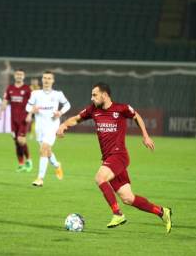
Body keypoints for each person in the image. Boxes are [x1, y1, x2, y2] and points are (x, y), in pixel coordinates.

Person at [57, 82, 172, 232]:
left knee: (100, 178)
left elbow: (136, 116)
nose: (92, 98)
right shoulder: (93, 110)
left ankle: (117, 214)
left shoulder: (121, 109)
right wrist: (63, 126)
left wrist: (145, 136)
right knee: (128, 198)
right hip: (108, 159)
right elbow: (77, 118)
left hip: (119, 156)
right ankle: (162, 212)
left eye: (94, 95)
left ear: (104, 95)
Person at [26, 71, 71, 187]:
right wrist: (32, 110)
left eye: (49, 78)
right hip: (40, 127)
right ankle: (57, 165)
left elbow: (67, 105)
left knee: (43, 149)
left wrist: (60, 112)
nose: (46, 80)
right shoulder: (35, 93)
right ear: (42, 80)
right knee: (47, 151)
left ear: (53, 80)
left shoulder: (57, 94)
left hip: (52, 126)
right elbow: (27, 106)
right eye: (45, 78)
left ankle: (40, 178)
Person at [0, 69, 33, 172]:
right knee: (17, 142)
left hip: (24, 119)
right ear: (14, 76)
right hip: (13, 120)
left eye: (21, 74)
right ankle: (21, 164)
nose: (19, 76)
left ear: (24, 76)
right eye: (17, 74)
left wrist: (30, 115)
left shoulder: (27, 89)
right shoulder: (10, 88)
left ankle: (29, 160)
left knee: (21, 140)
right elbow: (5, 101)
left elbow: (33, 102)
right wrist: (0, 113)